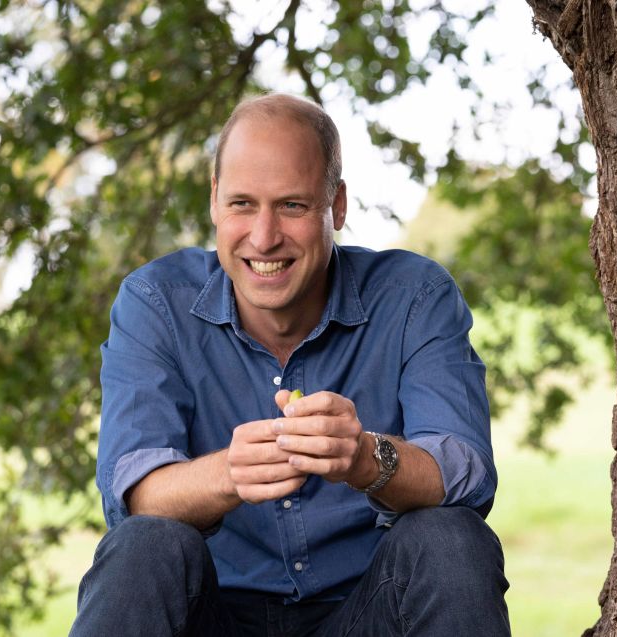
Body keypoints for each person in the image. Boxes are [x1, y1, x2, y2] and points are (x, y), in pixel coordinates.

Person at [69, 93, 509, 637]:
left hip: (368, 613)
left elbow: (467, 473)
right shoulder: (155, 302)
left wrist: (366, 458)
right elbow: (134, 493)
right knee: (143, 544)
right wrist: (230, 472)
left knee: (450, 538)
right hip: (214, 617)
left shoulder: (415, 296)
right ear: (213, 201)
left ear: (337, 206)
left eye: (293, 206)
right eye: (242, 204)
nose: (264, 236)